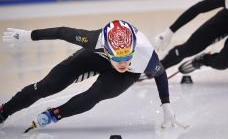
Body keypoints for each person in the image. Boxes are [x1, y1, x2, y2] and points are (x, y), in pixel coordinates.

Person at [0, 20, 189, 132]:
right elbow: (61, 32)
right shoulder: (93, 39)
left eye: (127, 56)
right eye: (118, 57)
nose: (123, 63)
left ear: (134, 50)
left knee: (96, 94)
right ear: (106, 49)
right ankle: (4, 111)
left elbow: (161, 75)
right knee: (47, 86)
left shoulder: (145, 55)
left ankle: (55, 114)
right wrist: (28, 35)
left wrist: (166, 106)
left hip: (128, 75)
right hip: (95, 58)